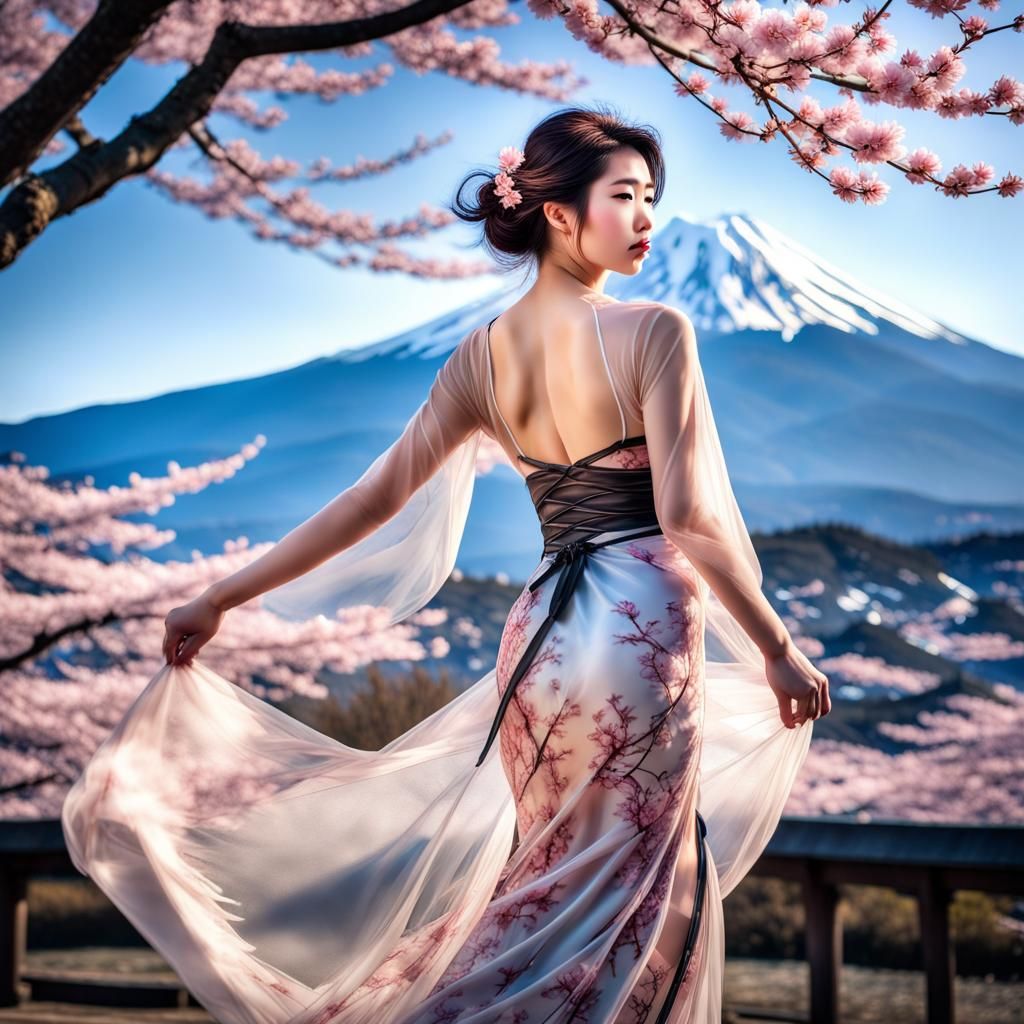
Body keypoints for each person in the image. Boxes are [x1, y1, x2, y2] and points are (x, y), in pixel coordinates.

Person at [62, 104, 828, 1024]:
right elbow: (690, 515)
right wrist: (777, 646)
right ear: (558, 212)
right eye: (625, 196)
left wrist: (222, 595)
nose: (646, 218)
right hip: (640, 634)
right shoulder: (655, 330)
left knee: (551, 882)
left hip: (541, 646)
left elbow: (370, 500)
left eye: (652, 198)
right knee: (637, 892)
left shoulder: (481, 357)